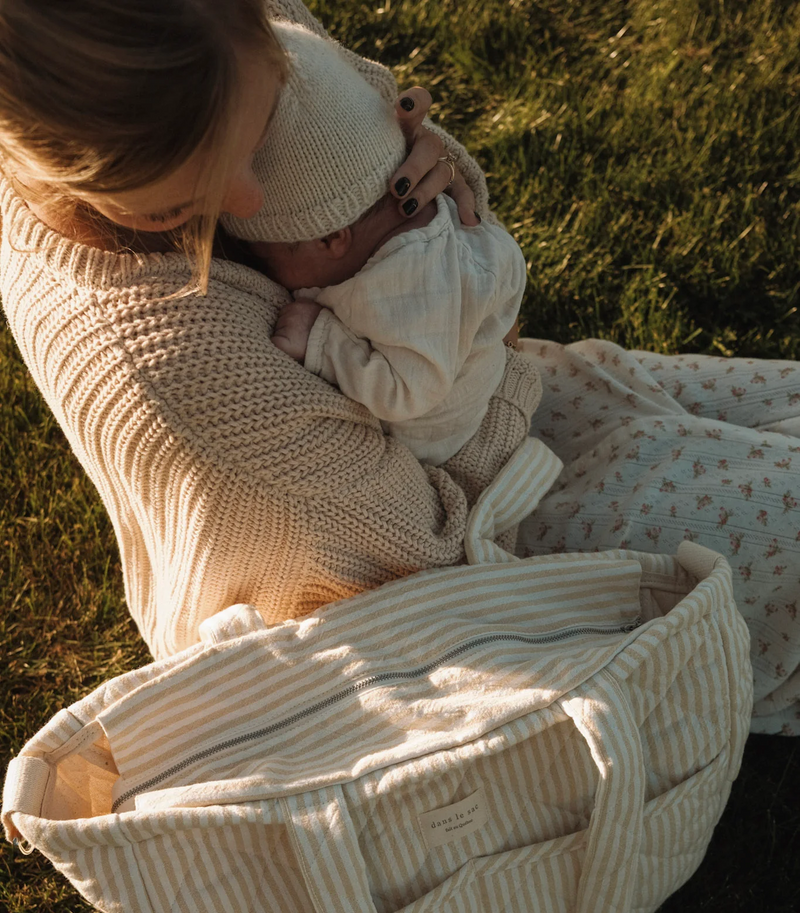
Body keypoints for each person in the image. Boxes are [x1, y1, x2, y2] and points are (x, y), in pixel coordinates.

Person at [0, 0, 798, 734]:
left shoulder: (223, 27)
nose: (249, 199)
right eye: (181, 203)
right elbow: (426, 558)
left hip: (448, 417)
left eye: (264, 132)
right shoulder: (188, 368)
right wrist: (485, 339)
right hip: (428, 589)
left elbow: (393, 153)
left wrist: (431, 195)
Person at [223, 22, 527, 466]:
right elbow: (509, 267)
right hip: (495, 384)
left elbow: (408, 392)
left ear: (331, 238)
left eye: (266, 256)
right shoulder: (439, 217)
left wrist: (323, 340)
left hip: (448, 448)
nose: (267, 273)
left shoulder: (395, 285)